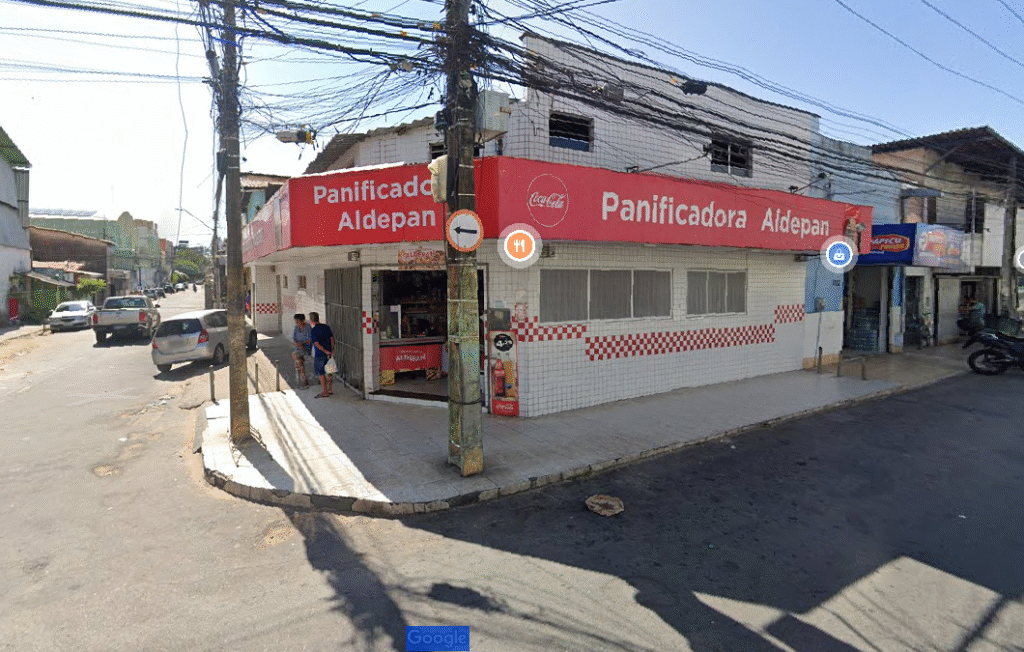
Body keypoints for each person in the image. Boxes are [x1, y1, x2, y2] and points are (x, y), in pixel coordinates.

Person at [309, 311, 335, 398]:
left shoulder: (314, 330)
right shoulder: (326, 327)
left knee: (321, 373)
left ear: (311, 320)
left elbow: (316, 344)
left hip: (320, 354)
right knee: (329, 371)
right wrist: (331, 350)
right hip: (329, 354)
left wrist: (325, 351)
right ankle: (330, 390)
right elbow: (332, 339)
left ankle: (325, 391)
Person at [291, 313, 312, 388]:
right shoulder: (296, 327)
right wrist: (296, 343)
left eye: (298, 321)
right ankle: (305, 380)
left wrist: (302, 343)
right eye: (295, 320)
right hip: (298, 348)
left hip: (306, 348)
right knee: (299, 362)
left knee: (295, 356)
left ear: (302, 320)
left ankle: (304, 380)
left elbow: (310, 339)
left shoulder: (308, 327)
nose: (296, 322)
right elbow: (294, 338)